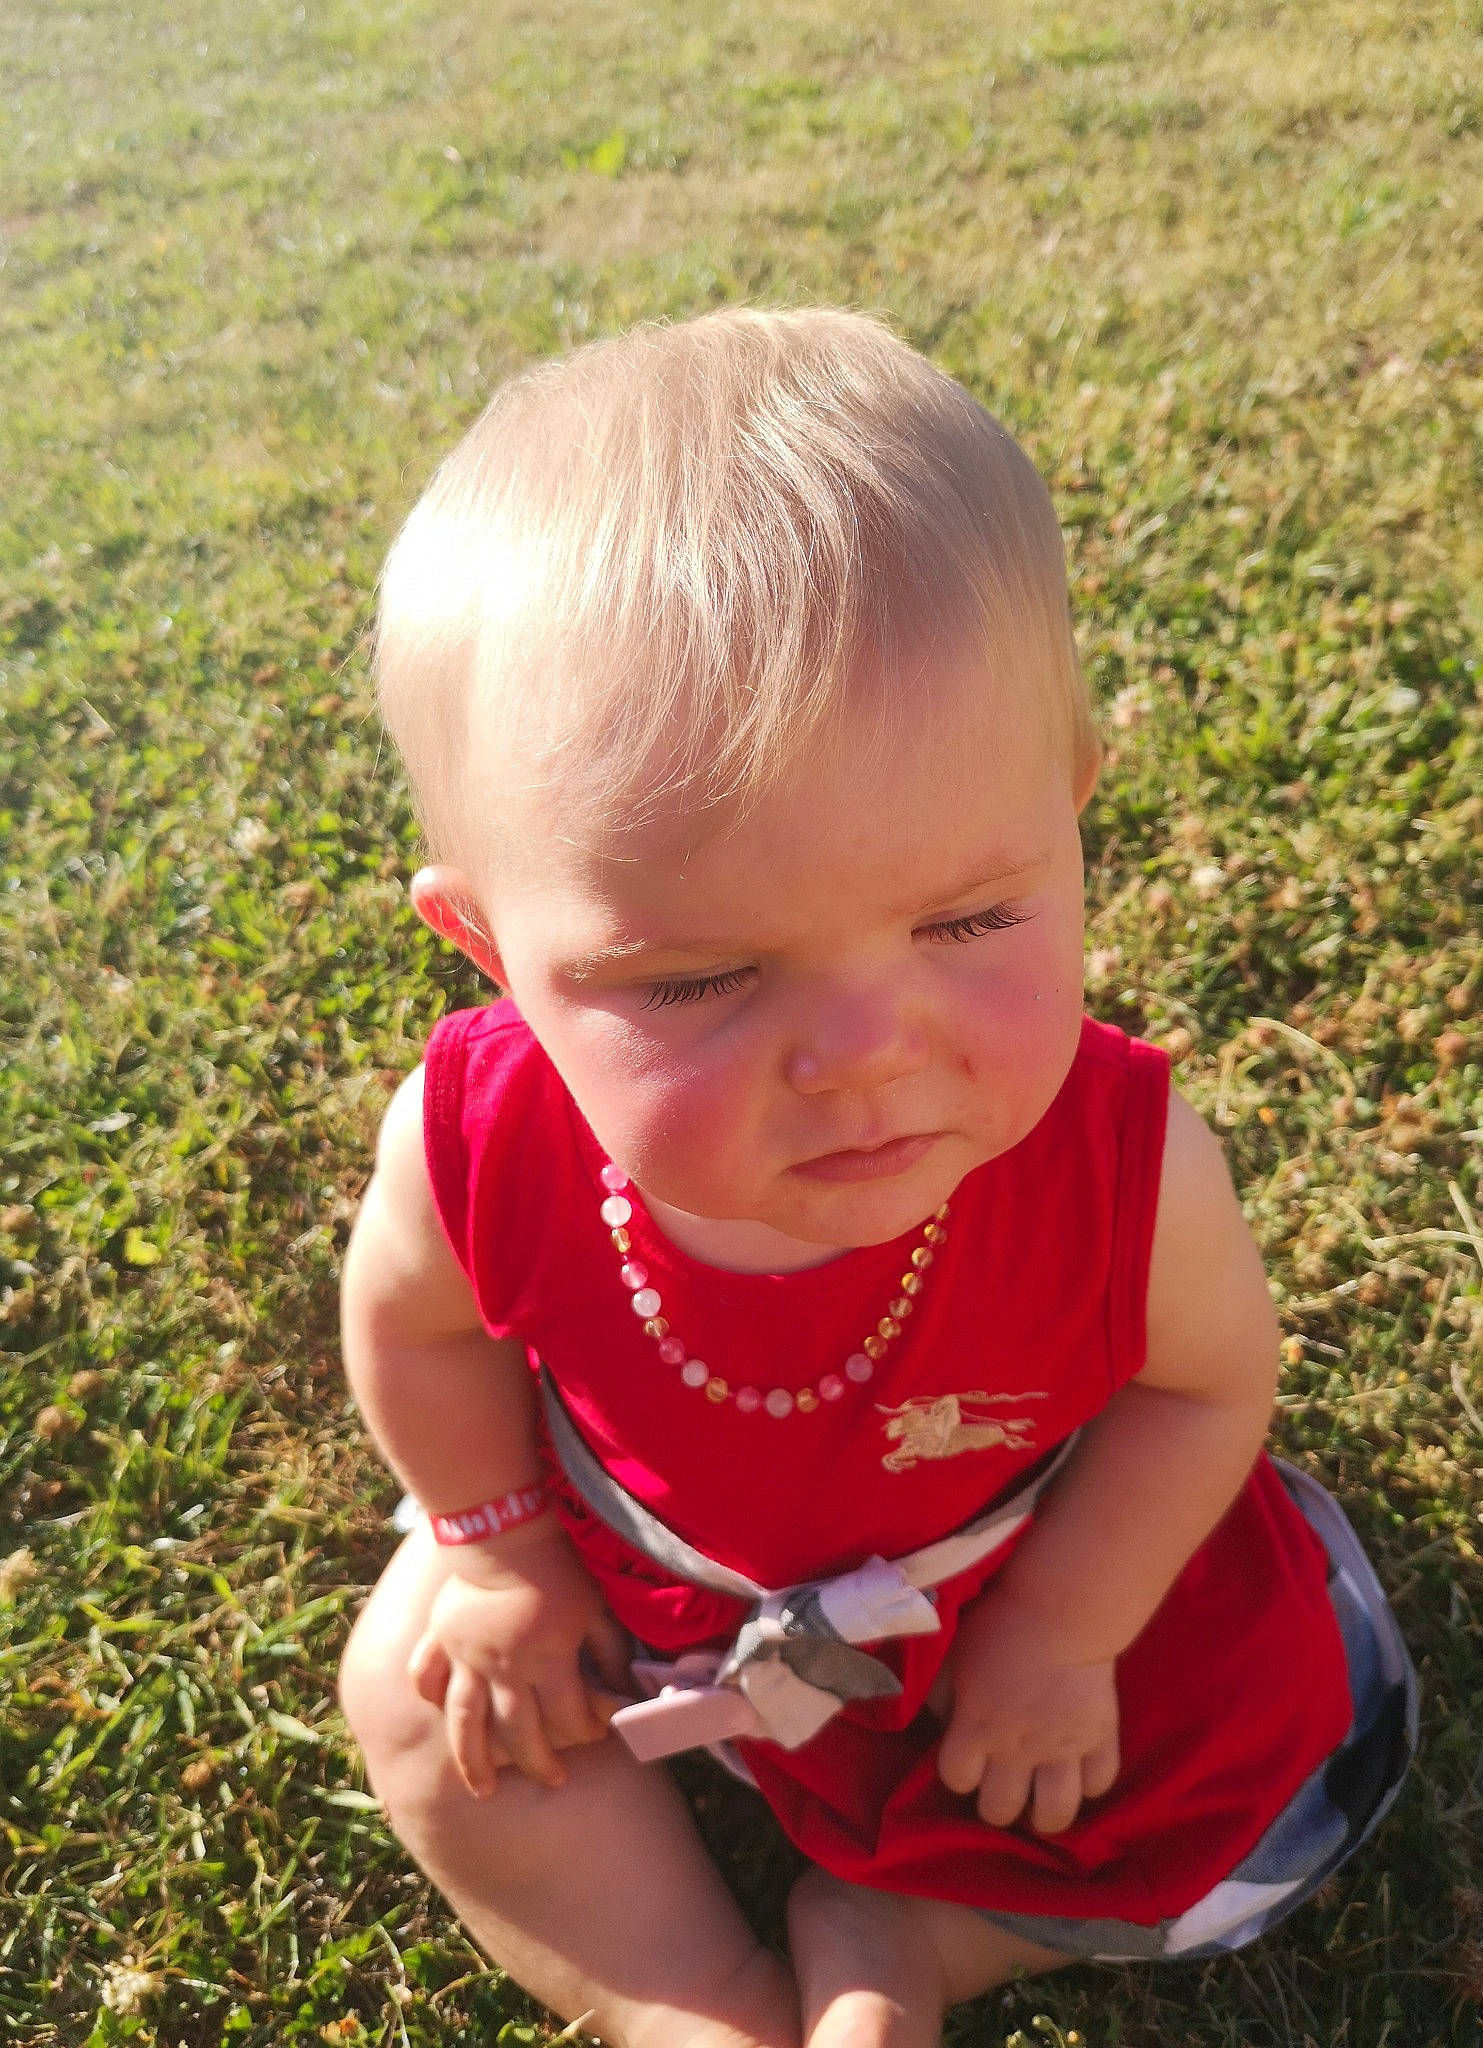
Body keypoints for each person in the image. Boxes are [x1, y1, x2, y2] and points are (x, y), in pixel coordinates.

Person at [336, 307, 1415, 2048]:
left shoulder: (1118, 1170)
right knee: (423, 1696)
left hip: (1007, 1576)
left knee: (1247, 1745)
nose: (866, 1053)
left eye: (971, 918)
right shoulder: (475, 1142)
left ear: (1073, 805)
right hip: (644, 1565)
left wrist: (1070, 1629)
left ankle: (910, 1942)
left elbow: (1205, 1389)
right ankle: (689, 2001)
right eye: (695, 981)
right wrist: (494, 1550)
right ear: (491, 950)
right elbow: (417, 1330)